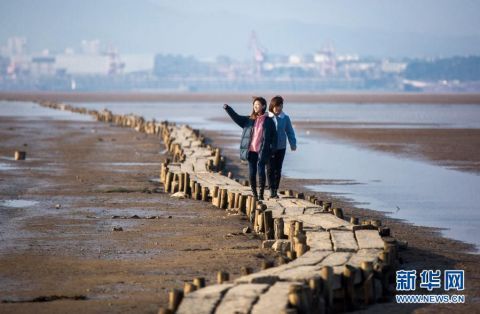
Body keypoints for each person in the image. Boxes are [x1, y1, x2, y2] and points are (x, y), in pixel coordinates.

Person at [223, 97, 277, 200]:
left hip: (262, 151)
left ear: (263, 106)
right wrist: (228, 109)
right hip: (251, 151)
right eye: (254, 105)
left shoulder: (269, 121)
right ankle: (255, 194)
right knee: (252, 173)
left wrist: (272, 150)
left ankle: (261, 194)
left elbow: (274, 137)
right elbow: (236, 117)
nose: (255, 106)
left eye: (258, 104)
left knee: (261, 172)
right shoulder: (249, 120)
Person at [267, 96, 297, 198]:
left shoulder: (285, 118)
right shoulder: (267, 117)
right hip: (269, 147)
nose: (278, 108)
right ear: (272, 106)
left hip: (281, 147)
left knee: (278, 169)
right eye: (276, 106)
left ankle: (275, 189)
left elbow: (290, 131)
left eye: (280, 106)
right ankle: (271, 189)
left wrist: (293, 144)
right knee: (270, 168)